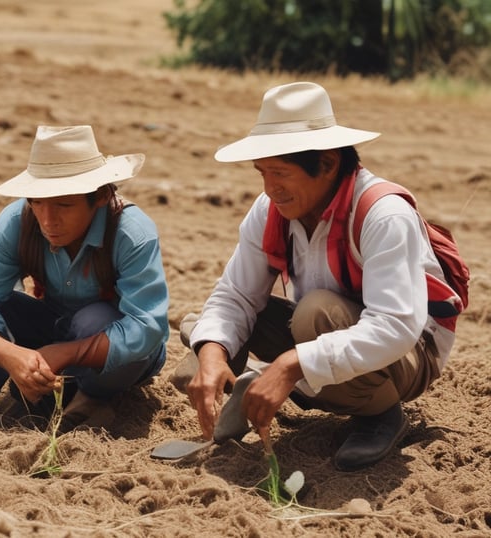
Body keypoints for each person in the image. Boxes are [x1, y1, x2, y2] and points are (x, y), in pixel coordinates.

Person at [175, 82, 463, 471]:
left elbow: (396, 326)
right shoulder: (272, 209)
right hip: (326, 330)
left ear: (327, 164)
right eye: (262, 173)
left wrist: (291, 365)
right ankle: (262, 377)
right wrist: (211, 352)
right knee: (206, 329)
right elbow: (236, 295)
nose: (269, 188)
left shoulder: (383, 214)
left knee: (315, 314)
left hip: (410, 353)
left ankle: (381, 414)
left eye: (280, 173)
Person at [0, 125, 169, 431]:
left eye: (64, 205)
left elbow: (147, 328)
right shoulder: (17, 222)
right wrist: (12, 356)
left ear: (102, 196)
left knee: (94, 320)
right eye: (36, 202)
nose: (48, 220)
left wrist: (62, 353)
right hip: (51, 326)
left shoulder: (132, 233)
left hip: (113, 352)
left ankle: (91, 397)